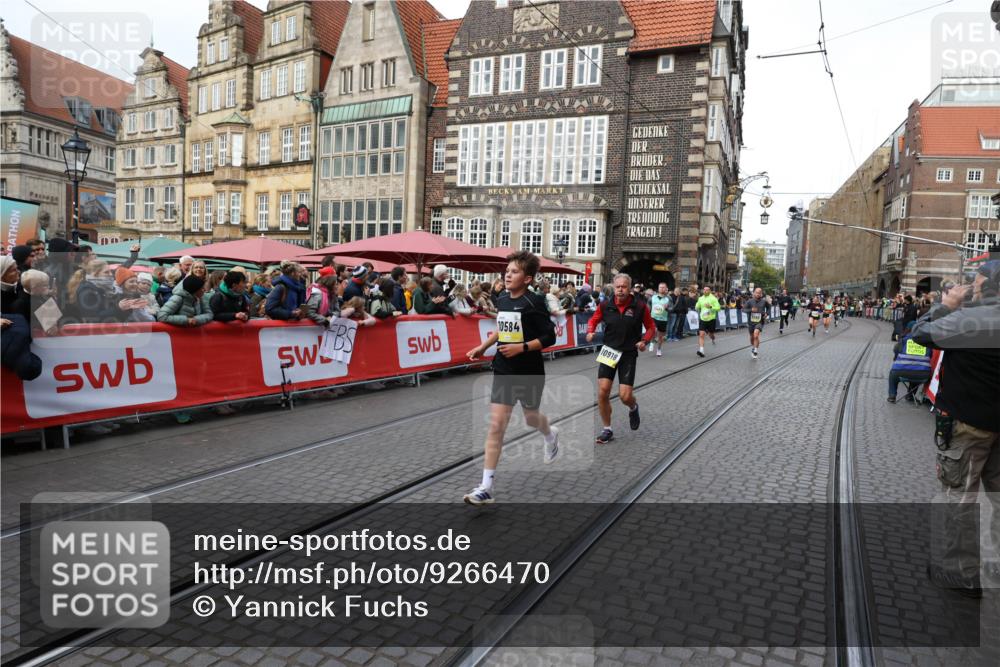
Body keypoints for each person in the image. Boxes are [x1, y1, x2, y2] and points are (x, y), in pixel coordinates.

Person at [910, 260, 1000, 598]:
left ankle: (961, 572)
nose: (972, 287)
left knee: (960, 498)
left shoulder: (973, 319)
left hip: (969, 425)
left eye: (976, 283)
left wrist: (945, 305)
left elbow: (919, 335)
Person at [464, 251, 558, 505]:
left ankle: (550, 434)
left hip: (529, 369)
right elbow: (503, 327)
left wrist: (523, 347)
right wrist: (484, 347)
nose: (507, 274)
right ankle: (485, 487)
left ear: (527, 278)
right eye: (507, 271)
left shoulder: (535, 302)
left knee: (531, 418)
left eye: (514, 271)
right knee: (496, 426)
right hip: (504, 368)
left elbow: (550, 337)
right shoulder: (503, 298)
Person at [586, 273, 654, 444]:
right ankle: (607, 429)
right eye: (618, 287)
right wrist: (590, 331)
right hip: (609, 350)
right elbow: (593, 320)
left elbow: (651, 327)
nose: (621, 290)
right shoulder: (605, 305)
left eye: (624, 287)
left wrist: (644, 340)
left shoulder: (639, 306)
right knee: (602, 391)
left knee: (625, 396)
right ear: (614, 288)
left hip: (629, 353)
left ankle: (633, 407)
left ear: (629, 288)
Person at [886, 323, 932, 403]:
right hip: (923, 375)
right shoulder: (927, 340)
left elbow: (896, 350)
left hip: (901, 372)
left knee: (892, 374)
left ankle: (892, 396)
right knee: (916, 372)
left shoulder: (905, 339)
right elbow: (930, 355)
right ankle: (910, 395)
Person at [743, 287, 769, 360]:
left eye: (759, 293)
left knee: (756, 335)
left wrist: (767, 313)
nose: (758, 294)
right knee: (752, 337)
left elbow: (769, 308)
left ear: (761, 294)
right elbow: (743, 310)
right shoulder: (749, 301)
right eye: (756, 292)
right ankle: (753, 347)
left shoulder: (764, 301)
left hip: (760, 321)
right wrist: (750, 310)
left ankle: (755, 350)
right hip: (751, 322)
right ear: (754, 293)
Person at [694, 285, 721, 357]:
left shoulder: (713, 298)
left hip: (711, 319)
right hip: (703, 319)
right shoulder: (700, 298)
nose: (705, 291)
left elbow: (718, 308)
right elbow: (697, 306)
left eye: (707, 290)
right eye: (704, 290)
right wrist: (696, 307)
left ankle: (712, 338)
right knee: (701, 334)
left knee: (710, 334)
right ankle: (701, 350)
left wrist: (711, 307)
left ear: (710, 291)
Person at [649, 283, 672, 356]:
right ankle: (652, 342)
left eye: (663, 287)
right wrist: (648, 313)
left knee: (660, 336)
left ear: (666, 288)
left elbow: (672, 308)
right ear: (658, 288)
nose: (662, 288)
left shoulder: (668, 298)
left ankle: (659, 349)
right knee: (654, 330)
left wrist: (667, 308)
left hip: (663, 319)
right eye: (660, 287)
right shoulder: (652, 297)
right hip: (653, 317)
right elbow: (648, 305)